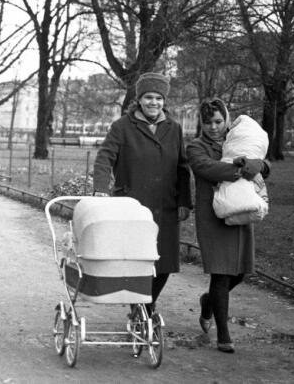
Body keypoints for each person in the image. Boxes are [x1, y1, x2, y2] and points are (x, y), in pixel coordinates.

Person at [92, 72, 192, 317]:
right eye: (148, 97)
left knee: (165, 263)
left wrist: (184, 201)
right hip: (133, 206)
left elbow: (182, 167)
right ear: (139, 100)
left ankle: (146, 304)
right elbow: (105, 158)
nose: (153, 103)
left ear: (164, 101)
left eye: (158, 98)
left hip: (165, 206)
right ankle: (141, 309)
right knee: (137, 261)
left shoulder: (174, 128)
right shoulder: (122, 127)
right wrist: (101, 190)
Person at [185, 98, 270, 354]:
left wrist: (261, 165)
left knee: (240, 272)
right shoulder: (195, 146)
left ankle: (208, 301)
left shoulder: (234, 140)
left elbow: (262, 162)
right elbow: (208, 169)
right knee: (221, 273)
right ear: (201, 123)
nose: (213, 127)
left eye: (218, 121)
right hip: (212, 216)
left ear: (226, 120)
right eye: (208, 122)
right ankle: (223, 334)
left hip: (239, 211)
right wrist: (243, 168)